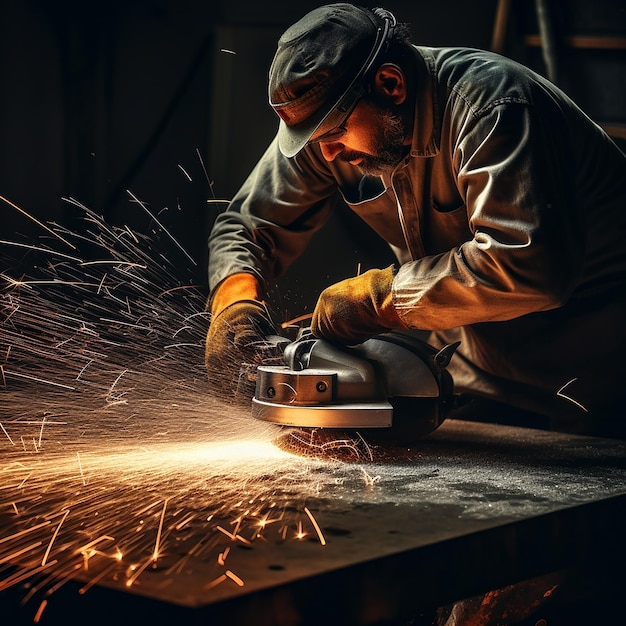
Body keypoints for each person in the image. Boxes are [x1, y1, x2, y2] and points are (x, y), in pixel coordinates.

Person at [205, 3, 626, 438]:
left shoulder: (493, 107)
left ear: (391, 84)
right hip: (476, 365)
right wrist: (235, 305)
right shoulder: (326, 121)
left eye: (333, 135)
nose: (326, 154)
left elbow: (529, 267)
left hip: (598, 372)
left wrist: (378, 299)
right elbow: (246, 225)